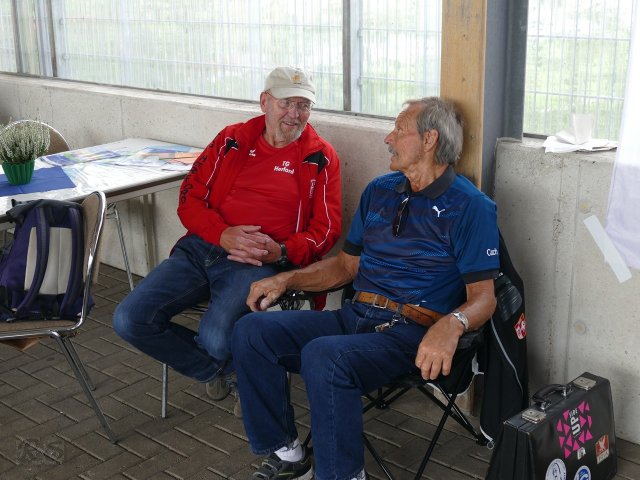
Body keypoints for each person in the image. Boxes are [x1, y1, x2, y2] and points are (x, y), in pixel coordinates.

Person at [231, 97, 500, 480]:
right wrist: (286, 278)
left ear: (429, 140)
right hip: (355, 316)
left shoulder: (471, 206)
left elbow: (484, 298)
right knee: (251, 331)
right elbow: (346, 266)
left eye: (399, 130)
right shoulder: (380, 190)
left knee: (326, 357)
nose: (388, 138)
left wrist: (452, 324)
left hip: (411, 333)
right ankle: (289, 455)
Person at [112, 66, 342, 408]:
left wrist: (280, 251)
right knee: (129, 319)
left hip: (256, 264)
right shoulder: (231, 140)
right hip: (200, 249)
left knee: (216, 339)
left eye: (303, 105)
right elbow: (189, 199)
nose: (294, 114)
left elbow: (326, 230)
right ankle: (233, 372)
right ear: (264, 102)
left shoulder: (320, 158)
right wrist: (220, 234)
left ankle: (229, 366)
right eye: (286, 103)